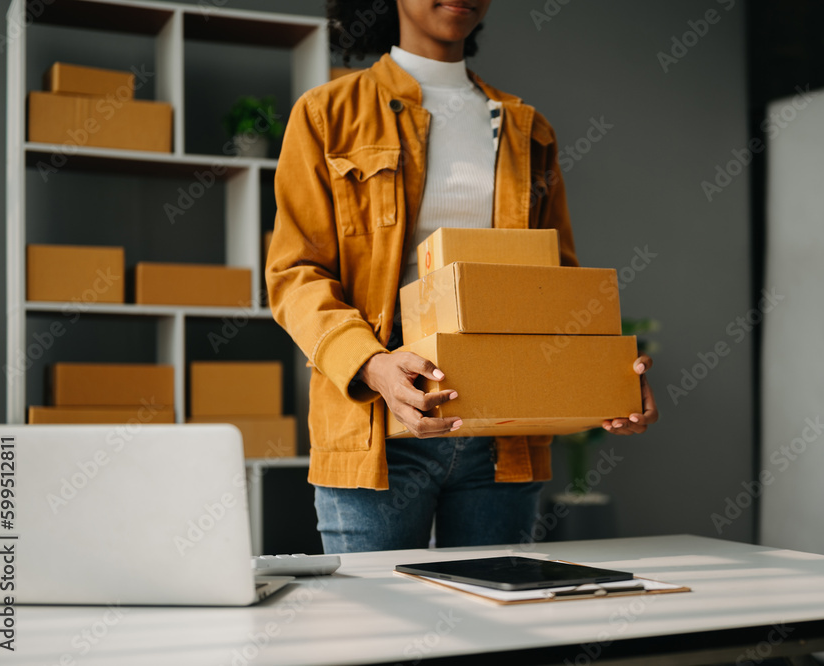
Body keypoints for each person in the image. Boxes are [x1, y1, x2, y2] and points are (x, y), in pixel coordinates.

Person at [265, 0, 658, 554]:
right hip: (376, 424)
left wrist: (608, 377)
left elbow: (559, 279)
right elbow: (294, 273)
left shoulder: (529, 131)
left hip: (505, 431)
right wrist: (372, 365)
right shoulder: (328, 113)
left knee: (496, 627)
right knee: (377, 628)